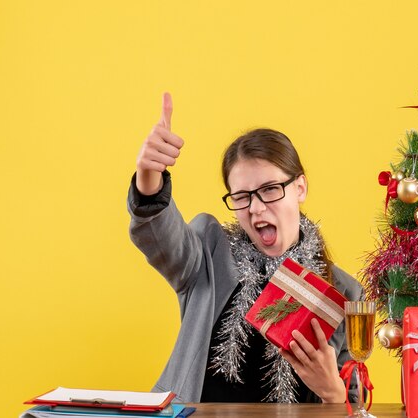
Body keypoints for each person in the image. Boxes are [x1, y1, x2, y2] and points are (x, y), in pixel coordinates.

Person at [127, 93, 362, 404]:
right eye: (241, 196)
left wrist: (332, 392)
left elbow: (355, 406)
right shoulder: (208, 253)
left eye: (269, 190)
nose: (255, 208)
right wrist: (149, 179)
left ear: (300, 188)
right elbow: (163, 240)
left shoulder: (344, 292)